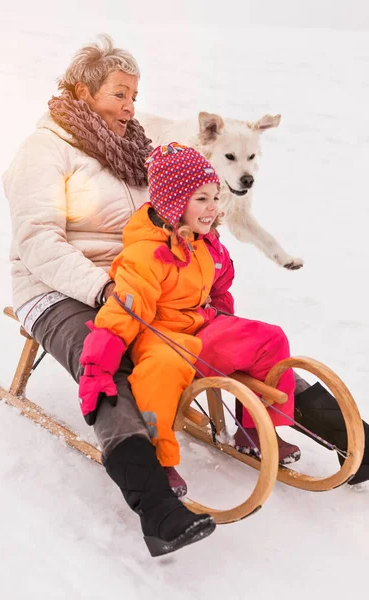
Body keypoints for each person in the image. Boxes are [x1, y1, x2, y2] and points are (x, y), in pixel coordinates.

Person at [3, 35, 216, 558]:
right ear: (82, 91)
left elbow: (164, 215)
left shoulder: (135, 147)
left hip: (141, 281)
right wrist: (102, 289)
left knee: (226, 335)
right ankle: (158, 510)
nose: (129, 107)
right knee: (109, 359)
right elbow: (37, 241)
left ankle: (347, 436)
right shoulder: (44, 150)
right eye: (119, 94)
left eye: (134, 97)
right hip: (60, 289)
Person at [78, 142, 301, 500]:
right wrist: (96, 368)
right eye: (202, 199)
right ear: (174, 202)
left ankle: (256, 430)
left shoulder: (202, 241)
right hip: (160, 337)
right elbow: (121, 313)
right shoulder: (144, 255)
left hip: (201, 328)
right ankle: (157, 458)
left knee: (268, 338)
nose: (213, 207)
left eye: (216, 197)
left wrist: (224, 316)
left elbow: (219, 280)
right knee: (161, 372)